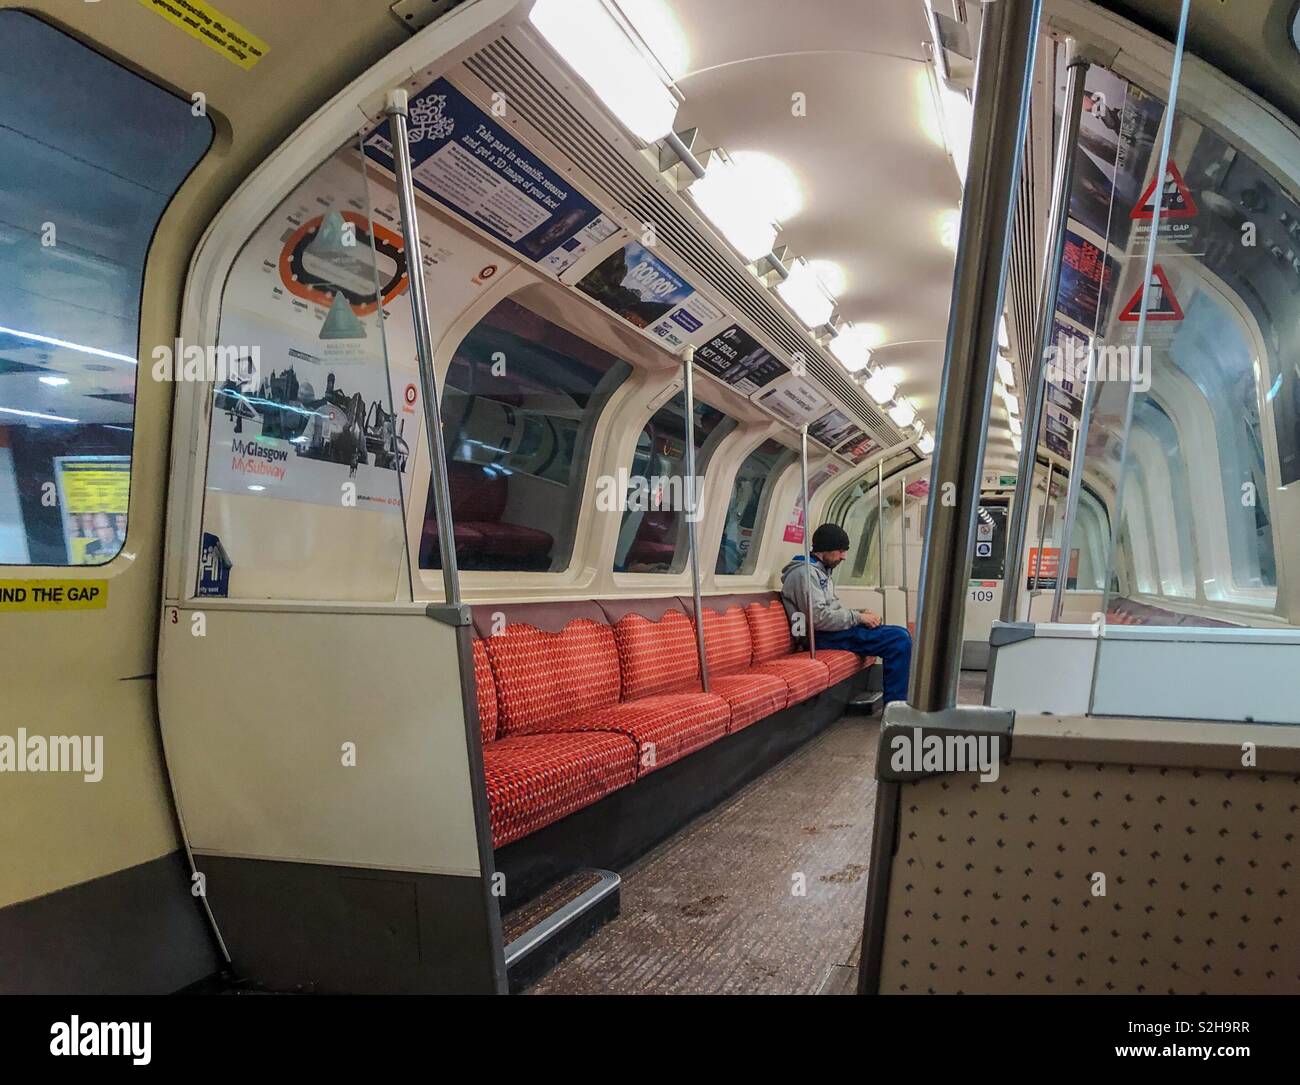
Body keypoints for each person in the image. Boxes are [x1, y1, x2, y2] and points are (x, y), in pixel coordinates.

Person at [780, 522, 912, 705]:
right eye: (840, 551)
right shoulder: (805, 574)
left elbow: (829, 610)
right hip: (817, 638)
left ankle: (897, 702)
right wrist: (857, 618)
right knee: (897, 639)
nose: (844, 557)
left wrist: (858, 614)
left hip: (831, 632)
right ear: (824, 549)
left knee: (900, 633)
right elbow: (818, 618)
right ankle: (895, 705)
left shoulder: (821, 572)